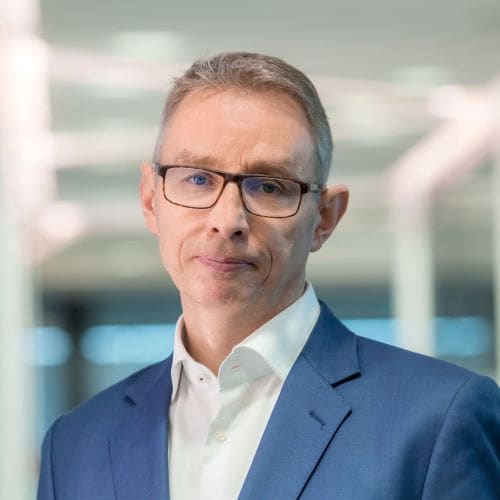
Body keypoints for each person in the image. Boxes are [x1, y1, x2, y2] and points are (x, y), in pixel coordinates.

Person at [37, 52, 499, 500]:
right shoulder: (74, 445)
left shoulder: (438, 419)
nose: (227, 220)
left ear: (325, 219)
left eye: (269, 186)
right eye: (197, 179)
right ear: (149, 199)